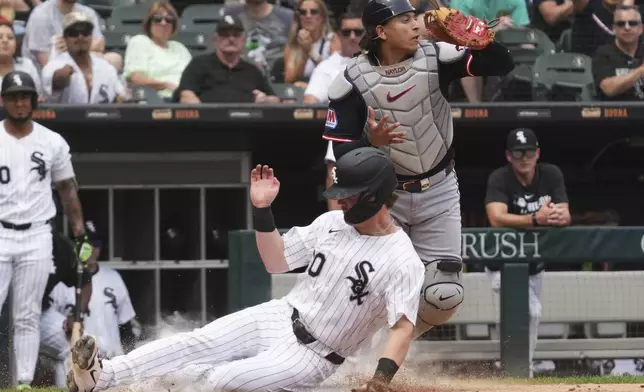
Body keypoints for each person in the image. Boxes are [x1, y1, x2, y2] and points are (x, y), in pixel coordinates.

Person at [67, 147, 425, 392]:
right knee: (197, 342)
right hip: (280, 315)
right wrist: (263, 210)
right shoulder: (331, 222)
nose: (340, 198)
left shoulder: (401, 258)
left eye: (350, 192)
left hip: (314, 354)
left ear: (376, 195)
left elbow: (402, 327)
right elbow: (275, 262)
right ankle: (101, 378)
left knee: (222, 380)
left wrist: (380, 381)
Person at [322, 0, 514, 338]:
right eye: (404, 20)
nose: (415, 26)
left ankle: (387, 348)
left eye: (415, 19)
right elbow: (342, 152)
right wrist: (373, 143)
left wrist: (480, 38)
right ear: (380, 31)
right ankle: (345, 348)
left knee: (445, 295)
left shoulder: (437, 56)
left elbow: (502, 64)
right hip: (385, 197)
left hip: (439, 189)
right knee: (367, 288)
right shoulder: (351, 79)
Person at [0, 70, 92, 389]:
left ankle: (24, 382)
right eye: (13, 96)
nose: (20, 102)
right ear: (3, 101)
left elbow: (68, 191)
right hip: (0, 232)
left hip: (38, 233)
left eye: (25, 95)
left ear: (35, 100)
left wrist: (80, 236)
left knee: (26, 315)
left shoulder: (52, 141)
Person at [484, 127, 570, 377]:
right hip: (502, 263)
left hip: (534, 264)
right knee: (531, 312)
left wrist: (556, 216)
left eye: (529, 151)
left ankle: (516, 368)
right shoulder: (499, 178)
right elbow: (496, 218)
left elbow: (565, 214)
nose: (524, 157)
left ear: (537, 153)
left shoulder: (551, 174)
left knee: (531, 315)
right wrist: (535, 218)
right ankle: (522, 370)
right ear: (509, 156)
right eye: (518, 152)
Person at [40, 221, 138, 387]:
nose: (91, 249)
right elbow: (48, 328)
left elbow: (126, 325)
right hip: (72, 366)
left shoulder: (113, 277)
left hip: (111, 364)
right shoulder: (62, 281)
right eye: (86, 244)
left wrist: (129, 360)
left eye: (96, 244)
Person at [175, 14, 280, 104]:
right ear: (215, 39)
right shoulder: (198, 65)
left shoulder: (252, 71)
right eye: (225, 34)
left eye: (236, 35)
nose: (231, 39)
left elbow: (274, 99)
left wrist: (265, 100)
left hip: (247, 124)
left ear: (243, 41)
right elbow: (185, 95)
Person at [39, 226, 96, 388]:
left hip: (39, 314)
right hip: (5, 314)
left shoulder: (58, 244)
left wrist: (76, 317)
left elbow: (85, 282)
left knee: (78, 347)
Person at [41, 12, 128, 104]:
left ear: (91, 36)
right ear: (65, 38)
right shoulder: (54, 64)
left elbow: (121, 96)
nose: (80, 37)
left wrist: (121, 98)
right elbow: (55, 82)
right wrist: (63, 75)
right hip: (66, 117)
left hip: (102, 117)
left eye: (85, 32)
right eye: (74, 33)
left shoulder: (105, 67)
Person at [122, 1, 192, 100]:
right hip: (158, 99)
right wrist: (165, 85)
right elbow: (135, 78)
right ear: (149, 23)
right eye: (158, 19)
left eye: (169, 20)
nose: (164, 23)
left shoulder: (180, 48)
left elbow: (193, 76)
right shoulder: (140, 42)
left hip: (186, 97)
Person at [303, 12, 364, 105]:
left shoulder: (378, 61)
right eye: (346, 32)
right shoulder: (326, 67)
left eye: (358, 32)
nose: (352, 37)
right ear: (338, 35)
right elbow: (309, 103)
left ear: (366, 34)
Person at [592, 5, 644, 101]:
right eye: (621, 24)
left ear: (641, 28)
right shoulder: (603, 54)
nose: (627, 27)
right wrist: (640, 71)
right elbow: (609, 89)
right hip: (615, 113)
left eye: (632, 23)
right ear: (614, 29)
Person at [283, 0, 340, 86]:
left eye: (314, 12)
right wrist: (304, 55)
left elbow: (336, 75)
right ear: (298, 17)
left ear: (322, 17)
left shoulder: (332, 40)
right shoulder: (292, 44)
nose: (308, 16)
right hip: (299, 92)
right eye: (303, 12)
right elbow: (289, 80)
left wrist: (311, 52)